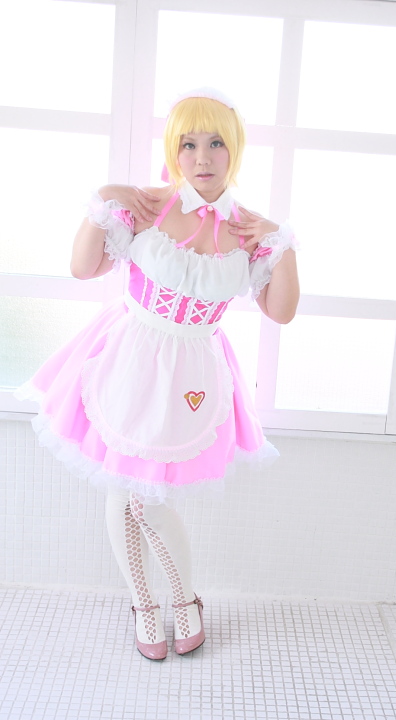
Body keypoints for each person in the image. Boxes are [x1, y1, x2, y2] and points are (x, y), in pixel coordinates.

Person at [15, 87, 300, 661]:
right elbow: (83, 268)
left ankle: (185, 600)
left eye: (216, 143)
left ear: (235, 148)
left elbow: (281, 311)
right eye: (188, 144)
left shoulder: (248, 229)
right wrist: (104, 199)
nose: (202, 157)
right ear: (173, 149)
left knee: (147, 498)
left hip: (193, 372)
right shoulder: (148, 206)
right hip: (129, 356)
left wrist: (283, 243)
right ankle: (147, 606)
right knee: (123, 487)